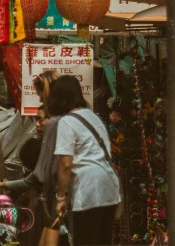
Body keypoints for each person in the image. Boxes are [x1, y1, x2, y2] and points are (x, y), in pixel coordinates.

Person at [50, 75, 121, 246]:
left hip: (88, 189)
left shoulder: (67, 122)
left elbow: (65, 165)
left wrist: (60, 197)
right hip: (109, 186)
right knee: (103, 241)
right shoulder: (92, 116)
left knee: (85, 240)